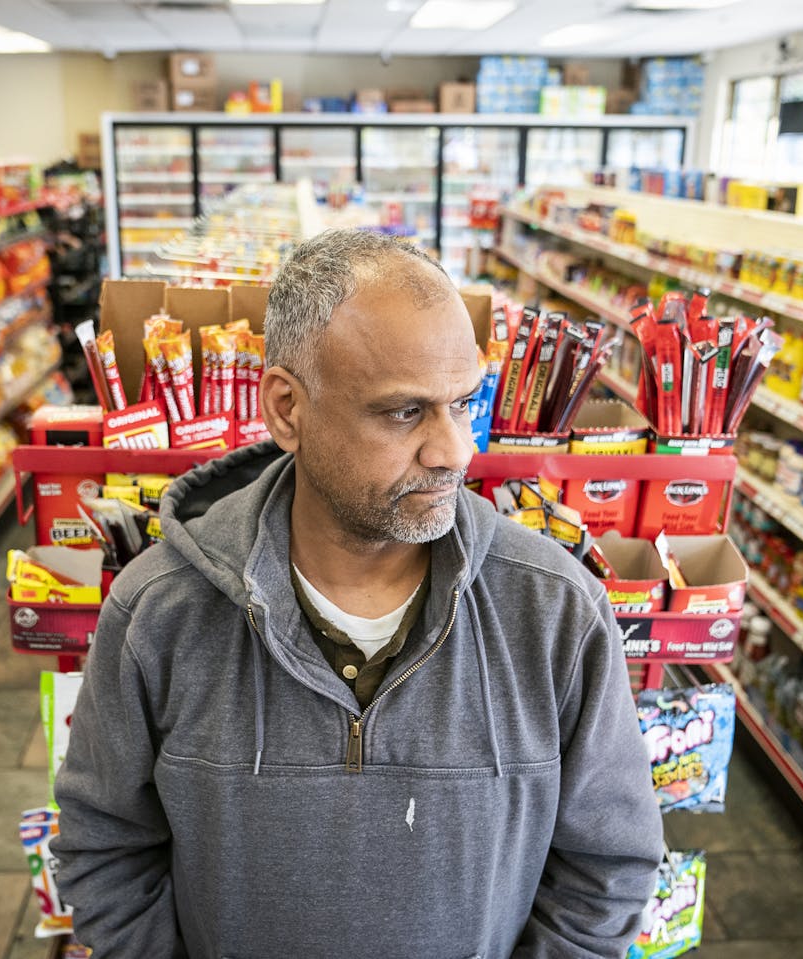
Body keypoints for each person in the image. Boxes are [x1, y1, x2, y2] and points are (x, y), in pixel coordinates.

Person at [53, 229, 663, 958]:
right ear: (286, 409)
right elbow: (105, 846)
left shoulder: (557, 612)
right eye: (404, 411)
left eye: (462, 404)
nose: (453, 452)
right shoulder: (160, 612)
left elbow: (608, 867)